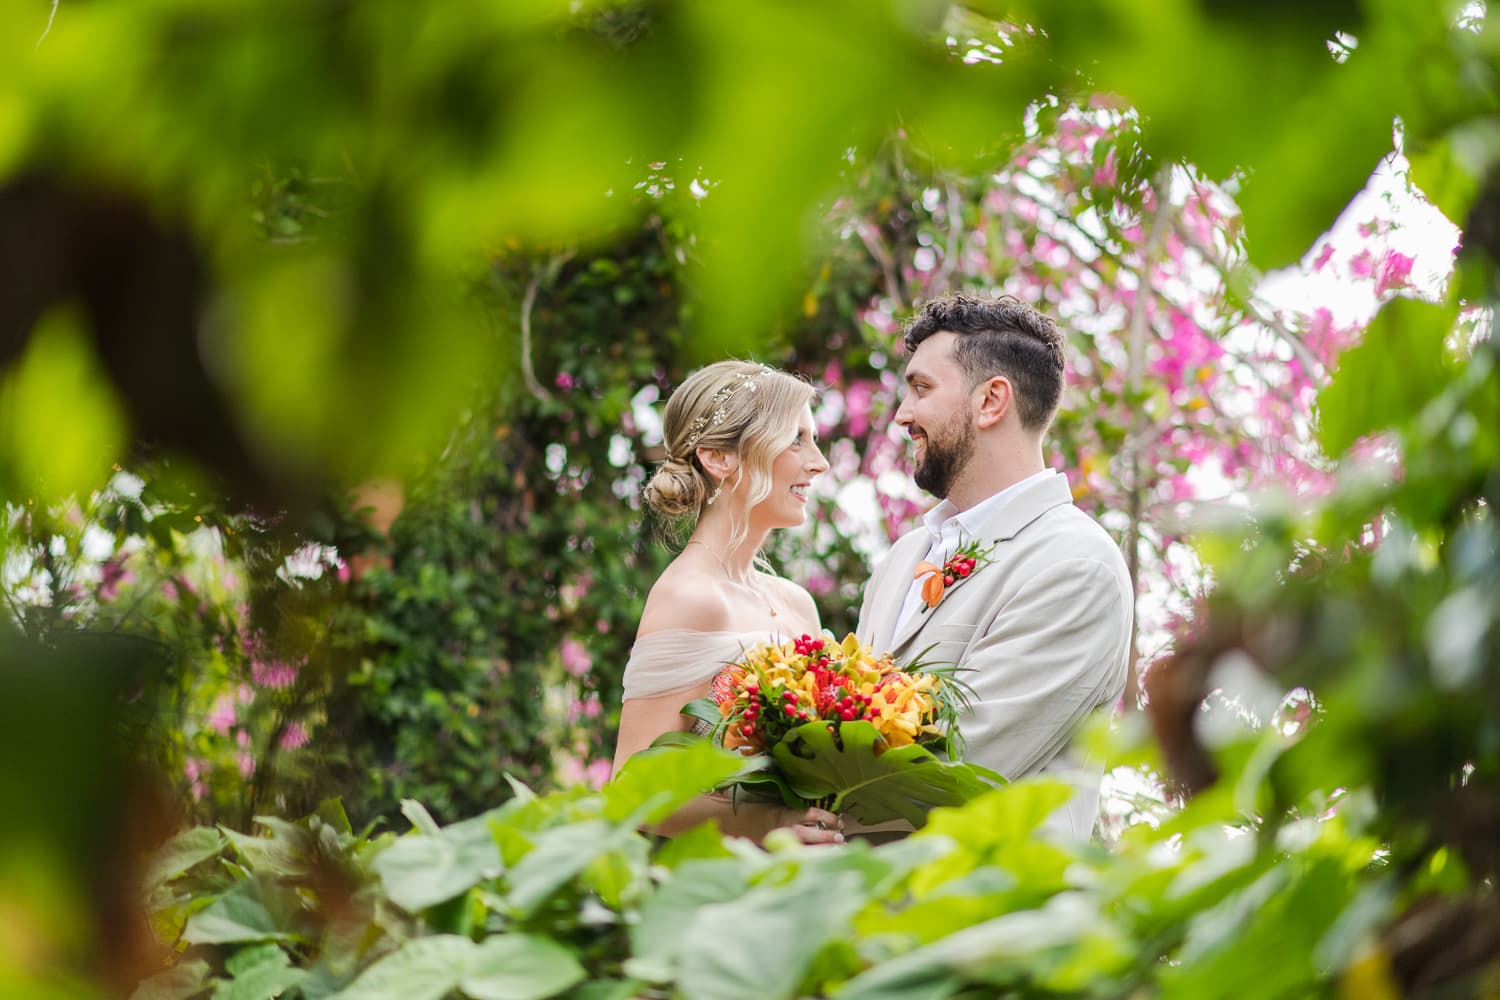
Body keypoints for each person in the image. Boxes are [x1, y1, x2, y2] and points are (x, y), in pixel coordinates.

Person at [855, 293, 1133, 841]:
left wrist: (790, 811)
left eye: (922, 388)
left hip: (989, 917)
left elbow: (958, 768)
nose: (903, 415)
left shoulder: (1077, 566)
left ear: (991, 401)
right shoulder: (901, 561)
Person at [612, 360, 843, 845]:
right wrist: (769, 825)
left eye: (814, 439)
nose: (819, 462)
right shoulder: (690, 598)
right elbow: (632, 792)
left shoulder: (798, 604)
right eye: (795, 439)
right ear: (719, 458)